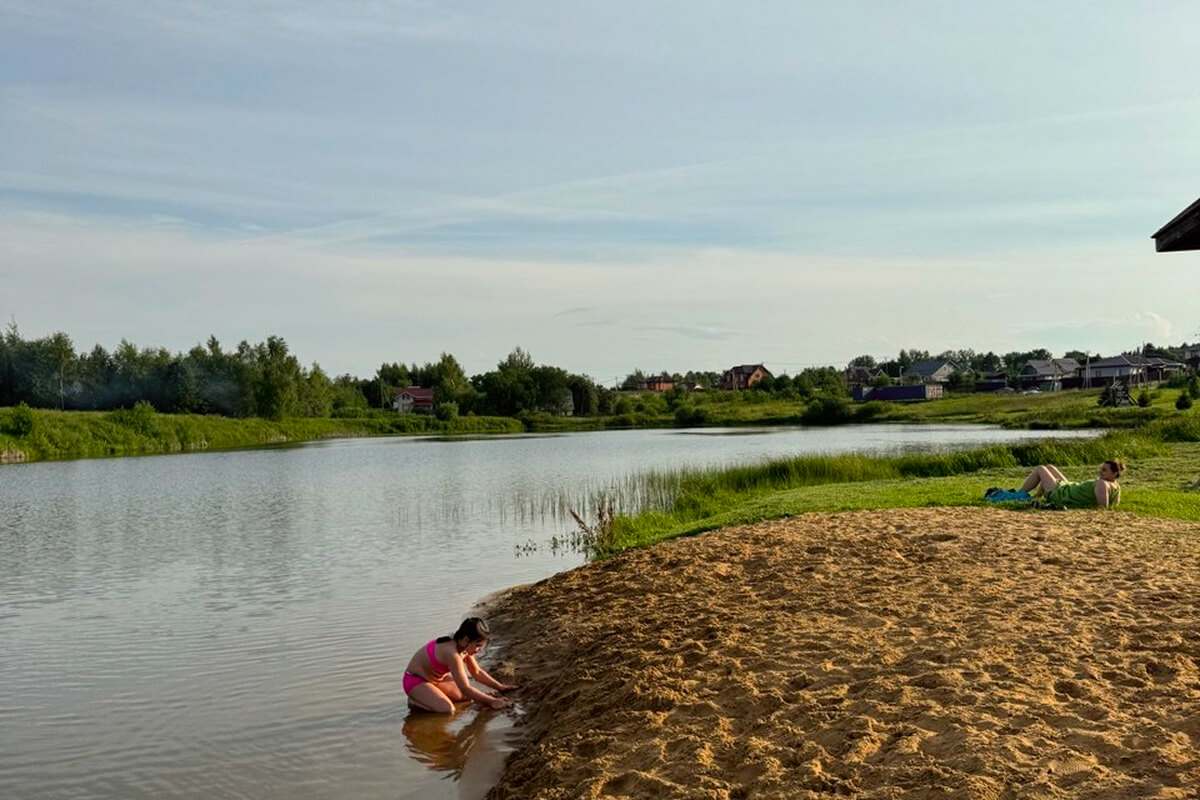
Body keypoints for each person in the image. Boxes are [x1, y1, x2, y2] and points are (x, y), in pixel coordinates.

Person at [403, 617, 515, 713]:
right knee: (447, 709)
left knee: (467, 698)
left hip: (438, 679)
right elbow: (465, 688)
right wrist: (492, 701)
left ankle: (430, 695)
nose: (479, 649)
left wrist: (500, 687)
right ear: (466, 639)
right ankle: (415, 701)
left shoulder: (464, 647)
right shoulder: (452, 654)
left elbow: (477, 672)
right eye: (478, 645)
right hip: (416, 680)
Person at [1018, 460, 1123, 508]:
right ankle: (1037, 496)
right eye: (1101, 469)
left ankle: (1019, 495)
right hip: (1069, 488)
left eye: (1104, 470)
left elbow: (1103, 507)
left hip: (1062, 495)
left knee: (1040, 468)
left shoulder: (1102, 484)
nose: (1100, 472)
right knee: (1050, 467)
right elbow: (1114, 505)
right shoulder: (1116, 486)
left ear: (1114, 473)